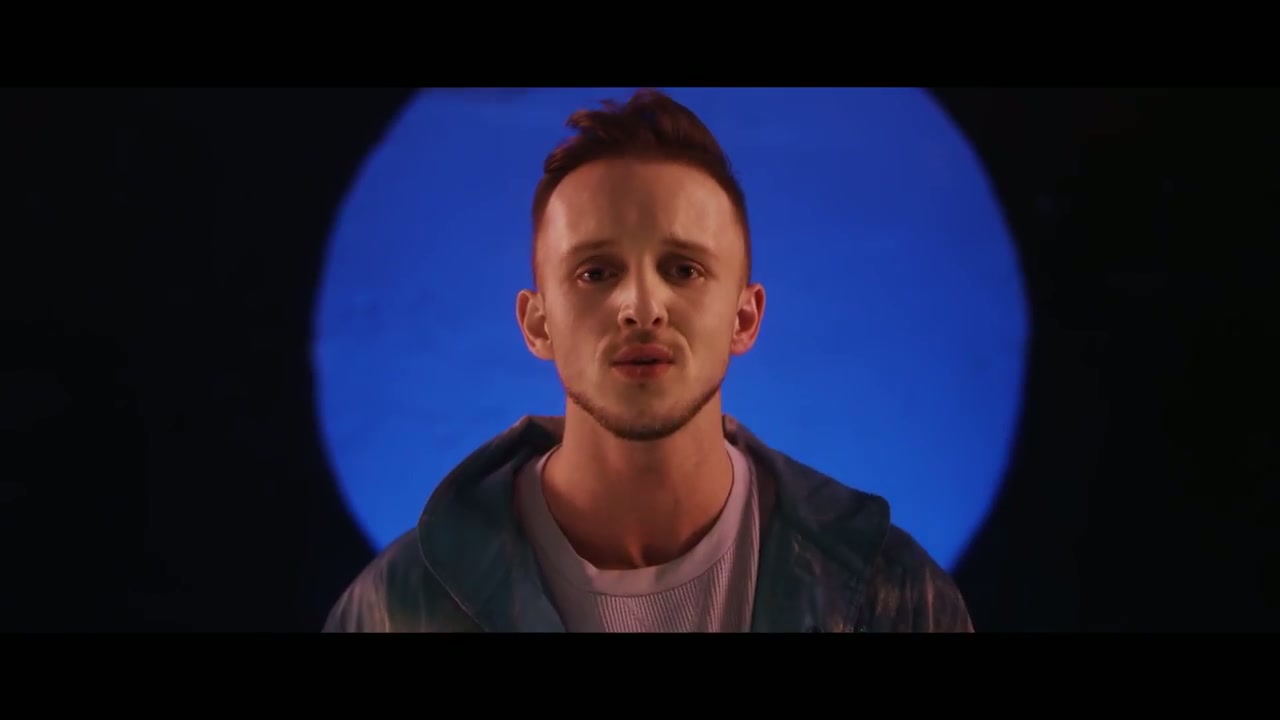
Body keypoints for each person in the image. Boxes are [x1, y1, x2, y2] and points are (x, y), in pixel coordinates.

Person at [323, 88, 974, 633]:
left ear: (744, 318)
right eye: (596, 272)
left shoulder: (891, 597)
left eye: (683, 269)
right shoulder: (398, 609)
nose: (640, 308)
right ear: (538, 323)